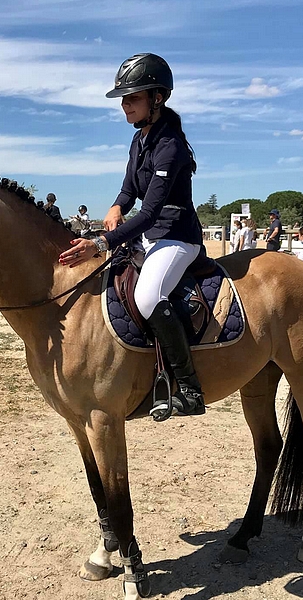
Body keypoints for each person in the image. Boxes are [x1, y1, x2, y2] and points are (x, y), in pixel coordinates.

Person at [58, 53, 205, 418]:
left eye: (132, 97)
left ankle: (188, 387)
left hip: (177, 237)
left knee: (147, 296)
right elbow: (129, 193)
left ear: (157, 97)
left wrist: (100, 243)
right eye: (123, 98)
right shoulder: (139, 141)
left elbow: (152, 210)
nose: (124, 105)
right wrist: (114, 207)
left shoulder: (169, 145)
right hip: (148, 237)